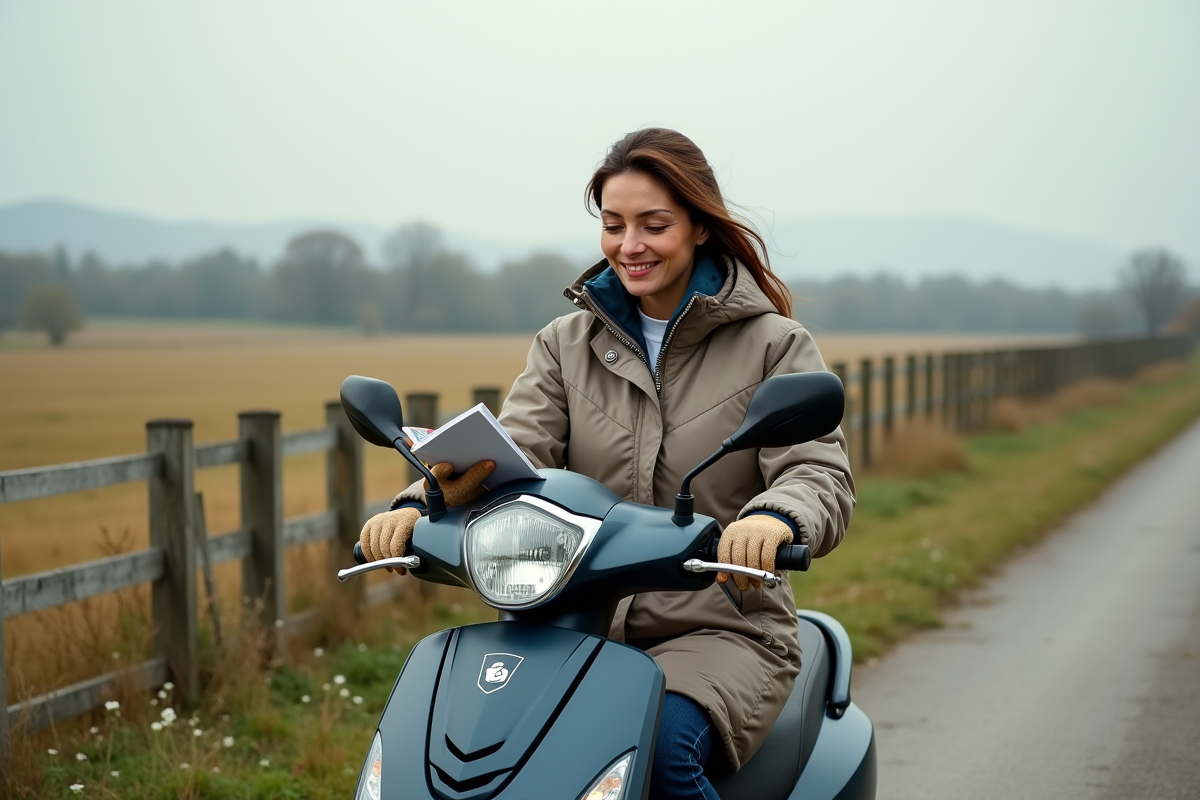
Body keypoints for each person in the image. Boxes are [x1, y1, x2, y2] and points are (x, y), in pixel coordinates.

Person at [359, 128, 855, 800]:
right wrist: (422, 505)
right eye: (614, 225)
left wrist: (772, 517)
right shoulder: (566, 344)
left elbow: (816, 470)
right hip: (560, 623)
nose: (630, 246)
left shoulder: (773, 345)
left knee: (662, 752)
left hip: (717, 626)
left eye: (654, 225)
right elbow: (512, 457)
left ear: (700, 228)